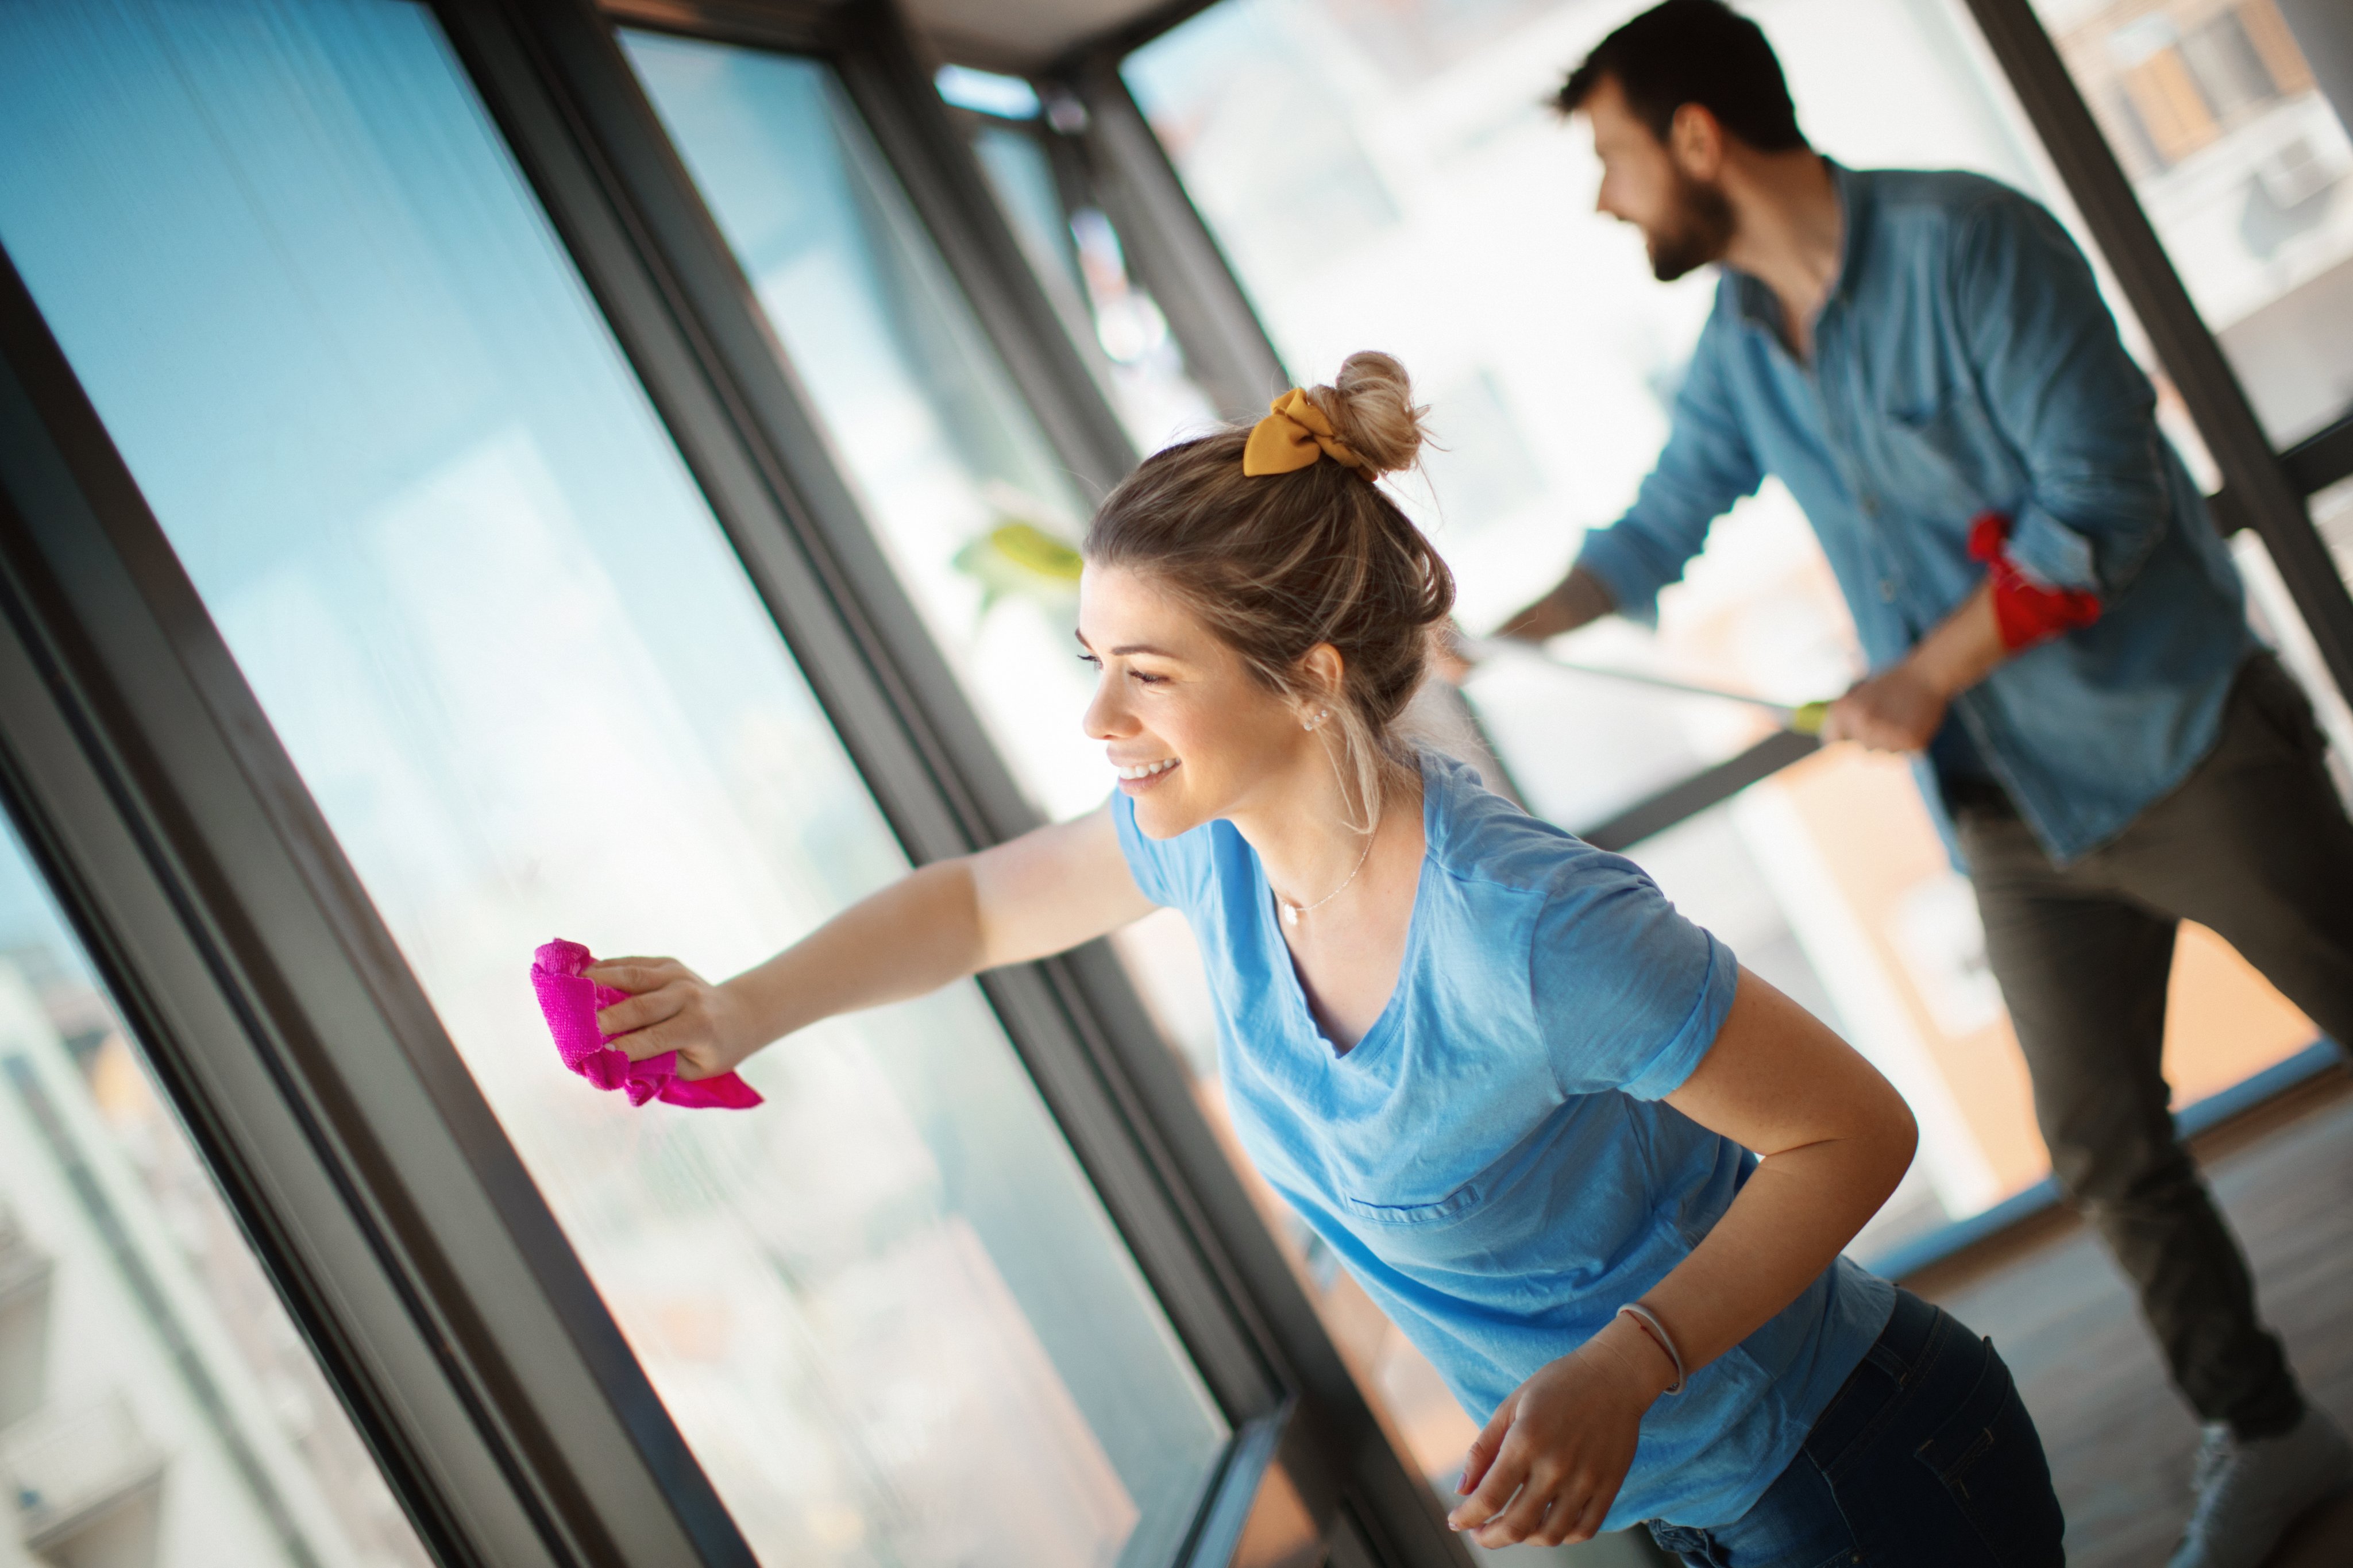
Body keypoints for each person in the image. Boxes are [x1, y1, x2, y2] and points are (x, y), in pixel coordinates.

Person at [588, 353, 2066, 1564]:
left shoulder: (1529, 930)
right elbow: (975, 908)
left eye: (1146, 674)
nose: (1096, 720)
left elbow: (1854, 1131)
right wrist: (739, 1008)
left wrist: (1627, 1365)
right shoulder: (1206, 847)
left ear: (1305, 681)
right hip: (1694, 1501)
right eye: (1090, 661)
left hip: (1862, 1467)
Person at [1472, 4, 2353, 1564]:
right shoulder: (1744, 347)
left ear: (1695, 137)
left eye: (1613, 157)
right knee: (2102, 1144)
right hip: (2012, 819)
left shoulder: (1974, 242)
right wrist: (1494, 629)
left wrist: (1924, 670)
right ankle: (2270, 1425)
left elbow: (2100, 503)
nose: (1609, 199)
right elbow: (1657, 526)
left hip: (2181, 742)